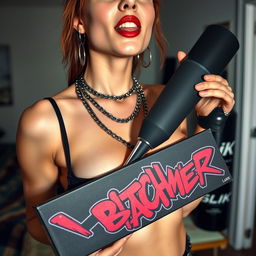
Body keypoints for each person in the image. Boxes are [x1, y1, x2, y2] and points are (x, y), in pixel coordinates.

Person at [16, 0, 235, 255]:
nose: (130, 2)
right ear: (80, 21)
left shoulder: (170, 98)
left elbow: (180, 208)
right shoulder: (45, 121)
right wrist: (79, 247)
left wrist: (209, 125)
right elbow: (35, 222)